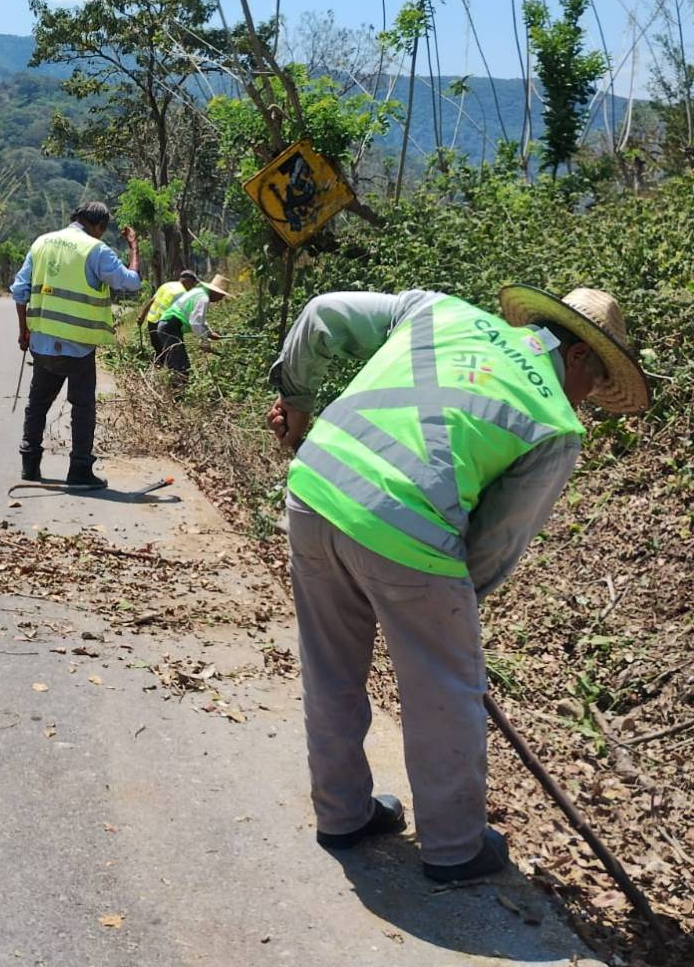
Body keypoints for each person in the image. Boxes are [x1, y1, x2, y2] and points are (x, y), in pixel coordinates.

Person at [266, 286, 649, 882]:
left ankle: (341, 815)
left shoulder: (440, 310)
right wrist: (447, 621)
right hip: (407, 530)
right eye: (593, 385)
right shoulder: (554, 420)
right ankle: (453, 849)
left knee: (330, 668)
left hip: (314, 488)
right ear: (577, 357)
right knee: (444, 695)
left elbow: (318, 313)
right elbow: (495, 543)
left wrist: (296, 403)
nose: (587, 402)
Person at [11, 201, 141, 489]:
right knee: (82, 407)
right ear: (100, 226)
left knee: (37, 404)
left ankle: (29, 465)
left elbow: (19, 291)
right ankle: (79, 469)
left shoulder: (42, 243)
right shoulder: (96, 250)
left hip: (43, 343)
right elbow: (131, 283)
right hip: (79, 348)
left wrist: (24, 332)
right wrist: (134, 248)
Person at [155, 273, 232, 382]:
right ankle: (179, 397)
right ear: (215, 292)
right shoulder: (203, 298)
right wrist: (204, 342)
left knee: (178, 364)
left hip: (168, 326)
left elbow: (199, 319)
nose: (221, 298)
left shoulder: (199, 293)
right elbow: (195, 322)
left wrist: (209, 333)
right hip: (170, 327)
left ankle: (176, 393)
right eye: (221, 295)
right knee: (181, 366)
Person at [137, 269, 198, 357]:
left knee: (159, 351)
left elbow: (152, 300)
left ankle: (158, 367)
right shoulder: (182, 293)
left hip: (151, 321)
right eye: (192, 284)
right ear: (187, 281)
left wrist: (142, 316)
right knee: (170, 352)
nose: (192, 287)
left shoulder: (166, 285)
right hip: (164, 325)